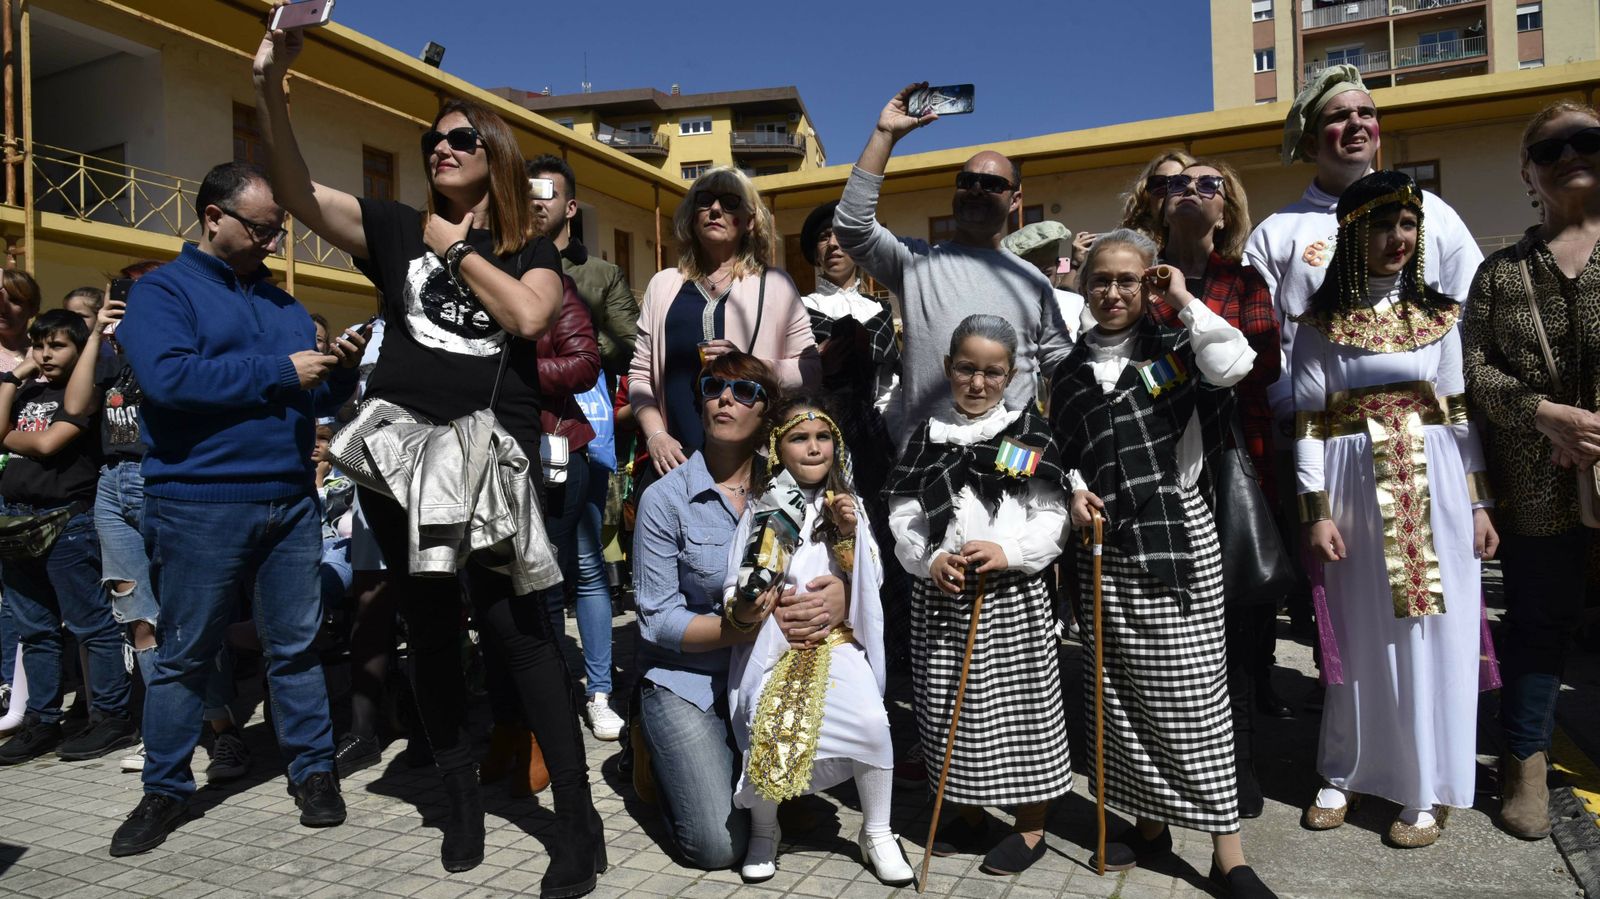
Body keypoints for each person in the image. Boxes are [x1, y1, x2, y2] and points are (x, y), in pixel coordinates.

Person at [254, 26, 604, 890]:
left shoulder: (532, 249)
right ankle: (458, 800)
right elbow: (296, 192)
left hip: (488, 459)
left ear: (497, 159)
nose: (440, 148)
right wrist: (269, 87)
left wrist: (456, 245)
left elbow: (526, 318)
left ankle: (578, 822)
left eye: (461, 139)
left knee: (518, 636)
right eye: (433, 141)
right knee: (431, 633)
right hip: (400, 457)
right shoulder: (393, 227)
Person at [106, 161, 363, 856]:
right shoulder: (161, 292)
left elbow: (303, 403)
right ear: (212, 216)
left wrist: (332, 373)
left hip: (287, 500)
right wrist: (282, 371)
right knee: (186, 653)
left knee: (296, 647)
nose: (273, 243)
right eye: (261, 229)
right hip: (197, 503)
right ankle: (165, 786)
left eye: (277, 231)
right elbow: (168, 380)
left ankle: (313, 771)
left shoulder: (282, 305)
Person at [1050, 230, 1274, 898]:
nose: (1113, 292)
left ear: (1149, 282)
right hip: (1105, 551)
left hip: (1178, 536)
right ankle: (1149, 825)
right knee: (1118, 697)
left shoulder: (1180, 345)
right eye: (1101, 280)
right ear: (1084, 286)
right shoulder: (1066, 369)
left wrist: (1183, 299)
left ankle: (1226, 852)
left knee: (1195, 698)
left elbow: (1237, 363)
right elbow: (1057, 448)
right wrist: (1069, 489)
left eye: (1129, 279)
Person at [1293, 171, 1496, 849]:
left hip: (1431, 485)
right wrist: (1316, 510)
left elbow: (1459, 409)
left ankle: (1424, 784)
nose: (1398, 239)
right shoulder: (1321, 323)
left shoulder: (1440, 315)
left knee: (1427, 632)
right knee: (1357, 634)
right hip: (1353, 488)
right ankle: (1342, 769)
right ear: (1353, 235)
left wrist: (1479, 501)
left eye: (1408, 225)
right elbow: (1310, 421)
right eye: (1383, 225)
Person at [632, 352, 847, 870]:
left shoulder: (797, 486)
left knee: (807, 805)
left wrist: (842, 594)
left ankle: (737, 773)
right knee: (716, 847)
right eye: (712, 388)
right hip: (690, 680)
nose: (725, 399)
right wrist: (741, 628)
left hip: (773, 675)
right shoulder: (665, 498)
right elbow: (657, 620)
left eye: (745, 392)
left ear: (767, 413)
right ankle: (646, 753)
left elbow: (846, 558)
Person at [883, 314, 1073, 876]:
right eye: (967, 369)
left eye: (993, 373)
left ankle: (1031, 824)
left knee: (1021, 710)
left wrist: (1008, 552)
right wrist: (930, 559)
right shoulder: (926, 437)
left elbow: (1052, 516)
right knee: (949, 709)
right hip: (941, 597)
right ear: (948, 369)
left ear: (1010, 375)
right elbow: (904, 515)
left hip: (1011, 599)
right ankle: (964, 810)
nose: (978, 383)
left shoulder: (1026, 434)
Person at [1463, 99, 1600, 842]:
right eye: (1552, 149)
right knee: (1540, 623)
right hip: (1535, 476)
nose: (1572, 154)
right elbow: (1474, 370)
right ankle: (1526, 764)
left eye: (1588, 140)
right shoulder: (1501, 273)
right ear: (1529, 172)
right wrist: (1544, 412)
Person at [65, 278, 251, 781]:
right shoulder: (107, 357)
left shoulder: (175, 350)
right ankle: (165, 734)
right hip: (112, 488)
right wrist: (97, 334)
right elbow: (77, 406)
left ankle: (221, 730)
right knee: (140, 622)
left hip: (166, 482)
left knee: (188, 621)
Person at [1146, 158, 1286, 814]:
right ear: (1159, 201)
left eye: (1210, 185)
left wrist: (1186, 305)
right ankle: (1163, 767)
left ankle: (1237, 762)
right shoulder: (1134, 275)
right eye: (1179, 183)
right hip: (1156, 466)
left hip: (1233, 461)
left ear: (1226, 211)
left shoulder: (1245, 280)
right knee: (1163, 625)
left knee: (1235, 623)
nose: (1193, 192)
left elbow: (1256, 364)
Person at [726, 392, 910, 886]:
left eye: (823, 437)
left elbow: (872, 581)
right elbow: (737, 582)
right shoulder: (762, 510)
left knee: (872, 720)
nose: (813, 449)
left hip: (837, 641)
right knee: (766, 721)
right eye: (799, 439)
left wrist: (848, 542)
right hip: (776, 644)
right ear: (776, 451)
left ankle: (877, 830)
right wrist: (757, 606)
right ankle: (766, 830)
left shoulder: (849, 507)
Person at [834, 83, 1073, 451]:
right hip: (927, 464)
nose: (976, 189)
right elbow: (852, 227)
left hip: (1013, 463)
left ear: (1016, 199)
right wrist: (885, 134)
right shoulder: (916, 264)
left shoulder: (1032, 280)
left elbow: (1062, 366)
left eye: (991, 184)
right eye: (967, 181)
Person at [1243, 66, 1482, 426]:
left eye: (1366, 113)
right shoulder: (1276, 232)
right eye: (1339, 116)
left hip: (1430, 426)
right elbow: (1261, 336)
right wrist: (1289, 408)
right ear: (1311, 143)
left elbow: (1471, 307)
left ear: (1378, 133)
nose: (1356, 123)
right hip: (1322, 430)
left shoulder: (1431, 211)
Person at [0, 309, 135, 765]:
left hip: (67, 524)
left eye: (56, 345)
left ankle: (111, 717)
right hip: (17, 521)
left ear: (80, 350)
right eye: (39, 345)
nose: (43, 354)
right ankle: (42, 718)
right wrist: (11, 377)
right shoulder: (31, 390)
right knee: (34, 630)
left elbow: (44, 444)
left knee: (89, 626)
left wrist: (10, 438)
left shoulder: (85, 395)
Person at [630, 166, 819, 477]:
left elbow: (810, 370)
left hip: (749, 468)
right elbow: (640, 375)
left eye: (730, 203)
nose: (715, 209)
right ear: (692, 214)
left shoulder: (776, 285)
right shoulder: (663, 285)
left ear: (750, 220)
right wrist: (656, 435)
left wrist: (751, 364)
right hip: (673, 466)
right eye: (704, 200)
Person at [527, 155, 640, 384]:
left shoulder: (605, 275)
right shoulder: (504, 263)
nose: (537, 203)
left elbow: (632, 350)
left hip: (581, 408)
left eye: (548, 194)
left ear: (570, 208)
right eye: (530, 194)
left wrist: (576, 337)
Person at [798, 199, 900, 412]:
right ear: (816, 254)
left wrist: (891, 429)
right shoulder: (800, 308)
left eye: (841, 237)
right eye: (824, 237)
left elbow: (889, 386)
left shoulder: (879, 310)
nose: (833, 244)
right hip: (818, 422)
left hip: (875, 427)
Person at [0, 268, 42, 729]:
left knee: (18, 599)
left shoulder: (44, 352)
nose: (3, 307)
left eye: (14, 300)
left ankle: (15, 692)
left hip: (28, 489)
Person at [1071, 150, 1196, 270]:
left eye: (1179, 183)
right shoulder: (1129, 248)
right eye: (1159, 184)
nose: (1169, 192)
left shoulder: (1213, 250)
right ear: (1146, 195)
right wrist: (1075, 264)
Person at [1003, 220, 1085, 343]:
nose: (1039, 282)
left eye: (1046, 274)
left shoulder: (1076, 303)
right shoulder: (1006, 308)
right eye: (1029, 275)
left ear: (1058, 265)